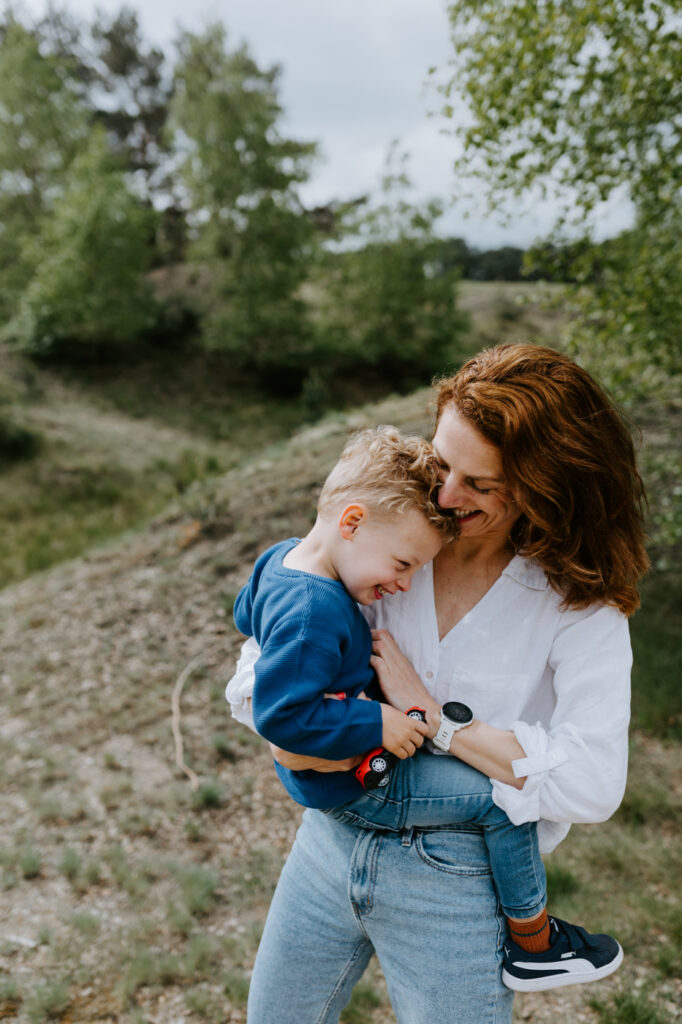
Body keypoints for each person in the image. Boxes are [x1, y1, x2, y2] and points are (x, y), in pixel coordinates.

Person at [227, 344, 649, 1024]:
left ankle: (535, 939)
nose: (447, 497)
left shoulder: (580, 606)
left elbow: (594, 782)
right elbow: (260, 661)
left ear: (546, 486)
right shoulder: (402, 537)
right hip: (329, 837)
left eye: (480, 485)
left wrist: (438, 720)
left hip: (455, 873)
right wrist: (289, 738)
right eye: (443, 462)